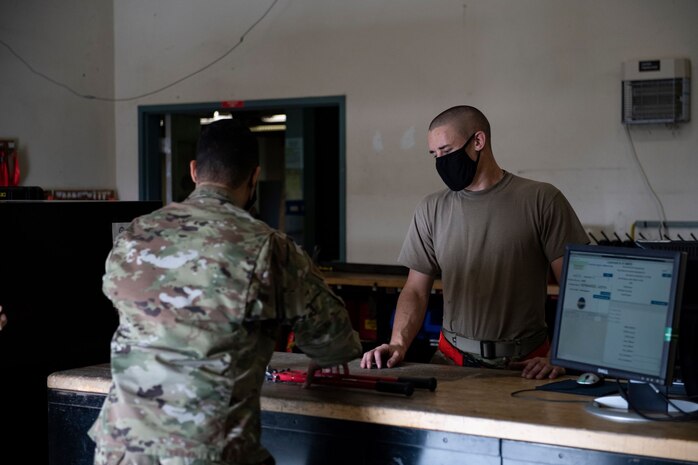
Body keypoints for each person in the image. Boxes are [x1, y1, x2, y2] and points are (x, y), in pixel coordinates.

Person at [88, 119, 362, 465]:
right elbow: (335, 339)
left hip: (121, 447)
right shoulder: (268, 246)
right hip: (207, 453)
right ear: (254, 176)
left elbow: (122, 305)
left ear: (193, 171)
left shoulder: (135, 235)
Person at [361, 105, 588, 379]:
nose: (441, 161)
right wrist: (398, 342)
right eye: (434, 155)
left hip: (526, 366)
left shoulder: (541, 200)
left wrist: (559, 354)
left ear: (478, 141)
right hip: (451, 361)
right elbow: (416, 290)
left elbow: (578, 287)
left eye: (446, 151)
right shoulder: (431, 209)